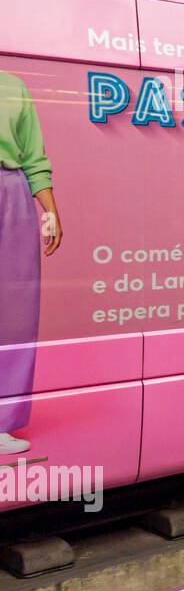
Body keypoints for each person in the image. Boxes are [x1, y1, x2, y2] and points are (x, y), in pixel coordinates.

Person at [0, 73, 62, 455]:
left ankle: (2, 420)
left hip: (11, 192)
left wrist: (50, 210)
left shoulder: (11, 85)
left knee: (15, 312)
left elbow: (33, 154)